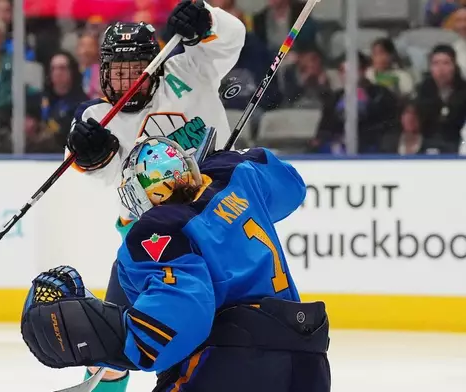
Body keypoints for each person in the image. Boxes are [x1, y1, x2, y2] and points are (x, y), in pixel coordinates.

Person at [21, 136, 331, 392]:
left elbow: (184, 312)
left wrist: (104, 336)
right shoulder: (239, 177)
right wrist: (228, 159)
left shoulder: (161, 226)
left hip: (235, 365)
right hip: (308, 358)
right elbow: (291, 185)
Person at [65, 0, 245, 389]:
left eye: (137, 70)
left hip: (215, 228)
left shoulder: (191, 68)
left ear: (158, 63)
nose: (128, 80)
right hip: (149, 246)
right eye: (118, 71)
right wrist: (88, 154)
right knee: (111, 351)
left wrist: (207, 17)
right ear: (102, 73)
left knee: (216, 343)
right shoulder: (99, 118)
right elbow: (99, 166)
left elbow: (233, 38)